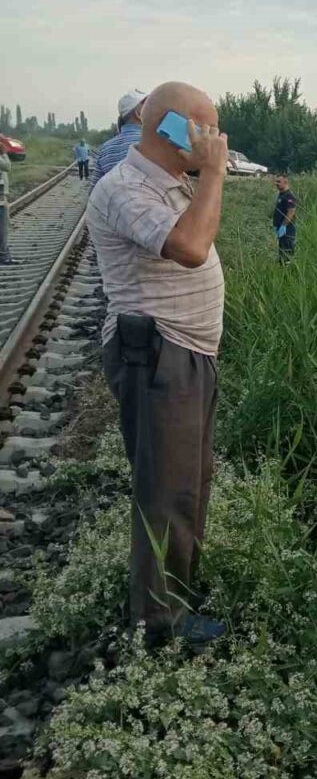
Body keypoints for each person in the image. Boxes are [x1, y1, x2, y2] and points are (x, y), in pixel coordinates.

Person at [86, 81, 229, 646]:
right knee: (165, 490)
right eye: (208, 129)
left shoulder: (169, 183)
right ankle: (159, 625)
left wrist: (203, 177)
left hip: (186, 352)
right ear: (175, 130)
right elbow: (191, 249)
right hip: (156, 353)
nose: (216, 140)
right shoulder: (123, 189)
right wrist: (213, 174)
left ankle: (178, 590)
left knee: (191, 480)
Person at [91, 89, 147, 188]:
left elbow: (94, 190)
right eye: (149, 106)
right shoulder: (153, 143)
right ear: (138, 113)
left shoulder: (106, 148)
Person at [272, 174, 297, 262]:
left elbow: (291, 211)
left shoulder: (289, 196)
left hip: (287, 229)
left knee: (288, 251)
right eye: (276, 181)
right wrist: (276, 225)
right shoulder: (281, 194)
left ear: (285, 182)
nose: (276, 183)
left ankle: (288, 269)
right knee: (282, 251)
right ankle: (282, 268)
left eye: (279, 181)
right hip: (280, 228)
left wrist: (284, 225)